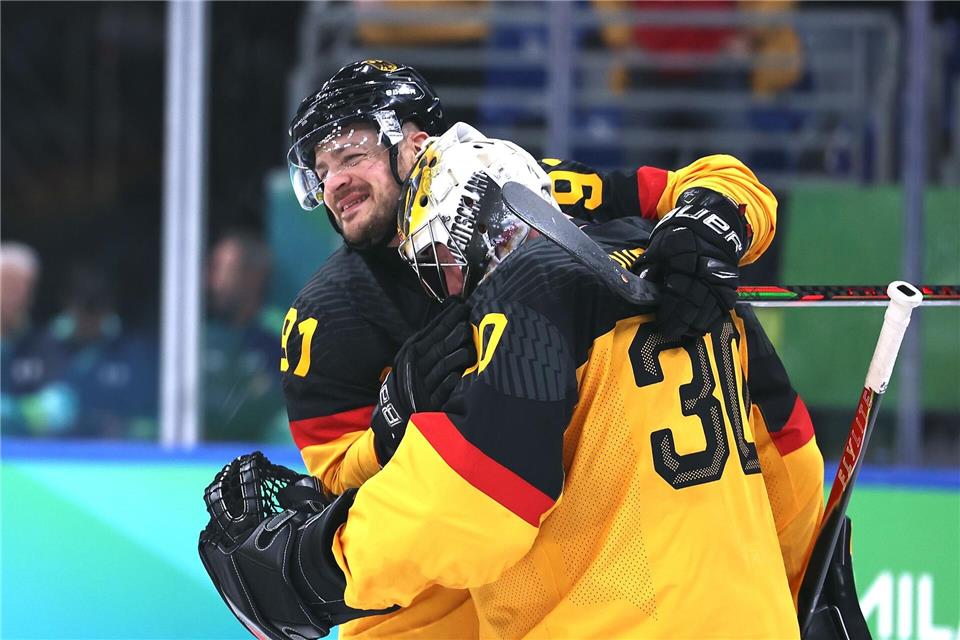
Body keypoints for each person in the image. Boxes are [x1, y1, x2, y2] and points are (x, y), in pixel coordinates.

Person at [201, 126, 824, 639]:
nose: (444, 286)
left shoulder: (524, 296)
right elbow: (790, 463)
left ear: (472, 232)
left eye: (437, 258)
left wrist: (318, 566)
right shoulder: (696, 288)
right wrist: (803, 590)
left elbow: (476, 503)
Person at [203, 230, 287, 442]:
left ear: (253, 277)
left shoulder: (282, 335)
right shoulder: (198, 337)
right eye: (213, 269)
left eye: (224, 269)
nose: (213, 281)